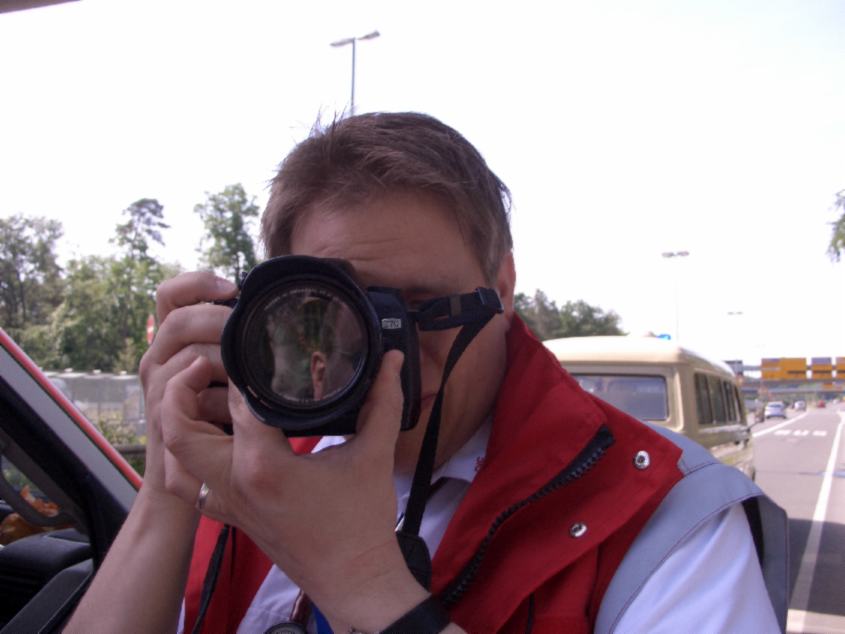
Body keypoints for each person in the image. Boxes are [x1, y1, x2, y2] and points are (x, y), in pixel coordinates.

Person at [66, 112, 787, 633]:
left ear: (501, 287)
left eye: (423, 309)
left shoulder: (662, 521)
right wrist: (167, 488)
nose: (390, 357)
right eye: (336, 311)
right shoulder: (251, 462)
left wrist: (365, 582)